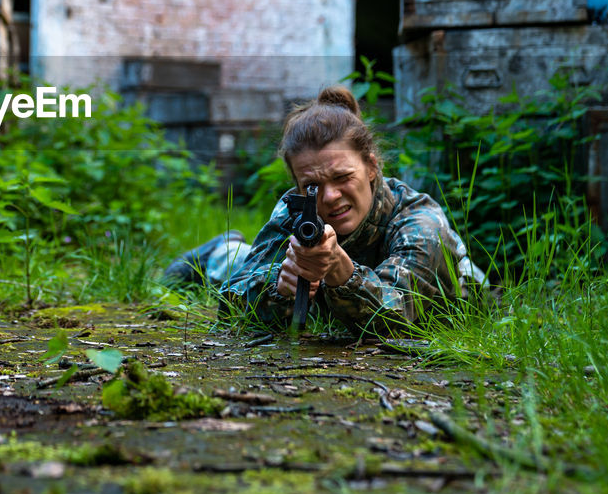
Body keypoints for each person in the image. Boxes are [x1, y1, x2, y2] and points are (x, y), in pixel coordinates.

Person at [164, 85, 486, 336]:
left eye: (343, 177)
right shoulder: (296, 209)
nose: (330, 197)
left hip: (441, 292)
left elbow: (400, 315)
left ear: (371, 167)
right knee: (247, 263)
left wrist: (341, 272)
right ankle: (220, 252)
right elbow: (232, 302)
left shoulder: (419, 221)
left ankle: (225, 250)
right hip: (339, 305)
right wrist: (280, 286)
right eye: (313, 187)